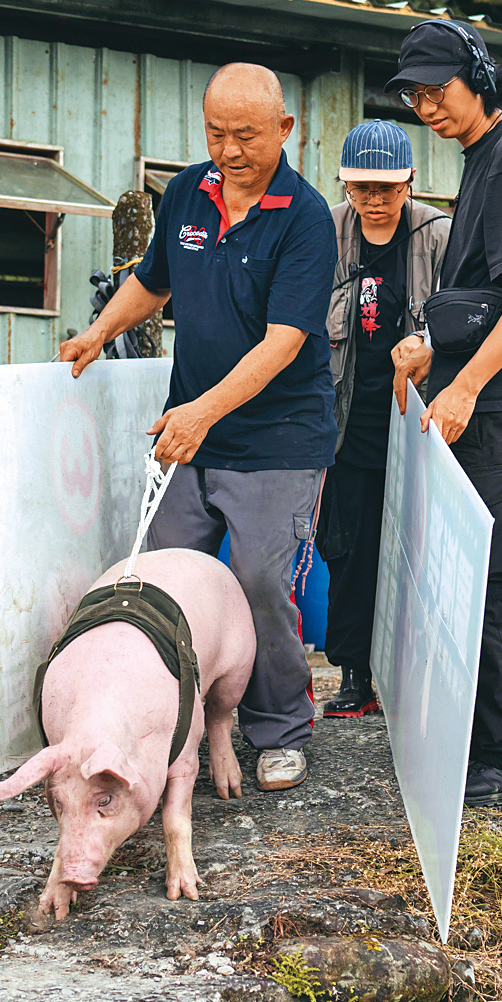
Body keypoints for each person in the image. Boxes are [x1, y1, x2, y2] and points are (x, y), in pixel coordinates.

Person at [62, 63, 336, 793]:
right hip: (194, 429)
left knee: (255, 578)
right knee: (165, 574)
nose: (229, 149)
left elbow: (284, 344)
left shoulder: (306, 219)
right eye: (216, 133)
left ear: (285, 130)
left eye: (246, 135)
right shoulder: (186, 191)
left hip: (278, 439)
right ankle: (169, 723)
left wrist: (201, 412)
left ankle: (279, 728)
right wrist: (98, 332)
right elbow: (153, 281)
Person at [383, 20, 502, 807]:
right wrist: (433, 346)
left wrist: (466, 387)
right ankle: (494, 745)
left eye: (439, 91)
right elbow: (487, 294)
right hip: (488, 395)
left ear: (480, 79)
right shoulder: (485, 159)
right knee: (483, 571)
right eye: (416, 96)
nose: (428, 106)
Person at [318, 120, 451, 718]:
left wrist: (430, 343)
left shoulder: (436, 236)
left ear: (410, 183)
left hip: (415, 422)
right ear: (346, 185)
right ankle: (353, 674)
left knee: (416, 555)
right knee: (349, 554)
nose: (374, 200)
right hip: (347, 421)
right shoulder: (326, 231)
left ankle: (417, 675)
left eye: (387, 189)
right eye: (361, 188)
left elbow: (465, 318)